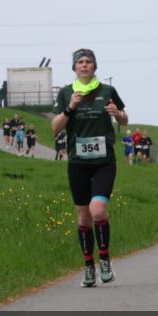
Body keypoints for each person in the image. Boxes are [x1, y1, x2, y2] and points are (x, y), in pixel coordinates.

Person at [53, 48, 128, 287]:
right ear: (74, 67)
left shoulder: (107, 91)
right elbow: (55, 127)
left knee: (97, 210)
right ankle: (88, 266)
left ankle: (104, 260)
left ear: (94, 66)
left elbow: (125, 119)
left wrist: (118, 114)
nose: (84, 65)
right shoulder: (66, 93)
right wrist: (70, 108)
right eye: (80, 62)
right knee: (84, 218)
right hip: (78, 163)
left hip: (104, 162)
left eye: (88, 62)